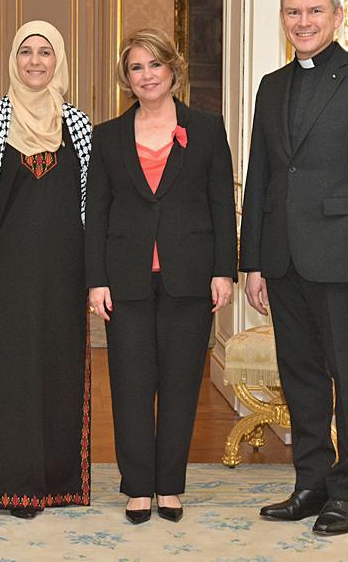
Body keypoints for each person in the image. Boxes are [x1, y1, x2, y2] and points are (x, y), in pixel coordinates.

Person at [240, 0, 348, 535]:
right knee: (301, 377)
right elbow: (260, 174)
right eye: (292, 12)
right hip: (283, 261)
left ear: (337, 16)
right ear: (281, 19)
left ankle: (346, 492)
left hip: (344, 262)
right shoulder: (271, 85)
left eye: (313, 11)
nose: (303, 22)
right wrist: (253, 261)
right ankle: (309, 483)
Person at [0, 20, 92, 519]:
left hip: (64, 278)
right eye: (25, 51)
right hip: (2, 277)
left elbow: (95, 206)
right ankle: (7, 486)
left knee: (57, 375)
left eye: (45, 52)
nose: (34, 61)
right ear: (13, 58)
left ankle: (56, 484)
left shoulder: (80, 127)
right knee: (6, 378)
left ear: (59, 60)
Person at [85, 28, 236, 525]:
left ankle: (169, 485)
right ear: (126, 78)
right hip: (124, 281)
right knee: (130, 386)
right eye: (136, 68)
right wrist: (96, 279)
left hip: (190, 278)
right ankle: (136, 486)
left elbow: (220, 205)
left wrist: (223, 270)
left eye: (154, 65)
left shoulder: (209, 129)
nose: (146, 75)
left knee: (179, 384)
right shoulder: (107, 137)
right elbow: (97, 213)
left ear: (173, 70)